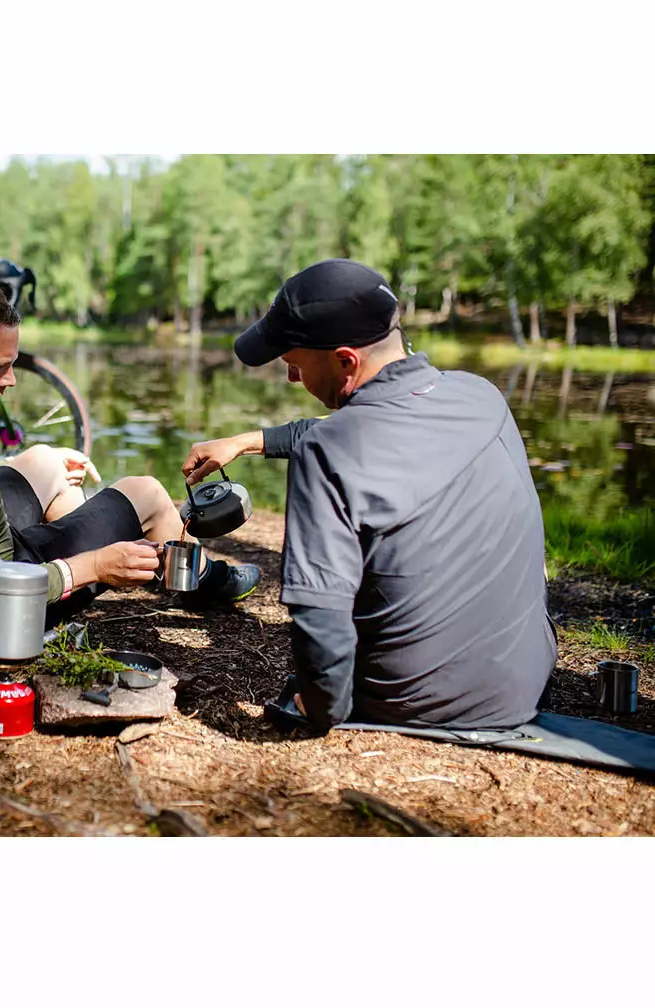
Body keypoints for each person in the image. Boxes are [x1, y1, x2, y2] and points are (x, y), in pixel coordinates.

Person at [181, 258, 556, 735]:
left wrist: (319, 705)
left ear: (346, 361)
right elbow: (372, 428)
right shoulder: (480, 395)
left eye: (294, 364)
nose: (292, 378)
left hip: (413, 704)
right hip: (527, 683)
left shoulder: (326, 453)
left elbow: (320, 623)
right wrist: (248, 441)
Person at [0, 276, 259, 660]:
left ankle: (101, 537)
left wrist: (17, 469)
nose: (10, 380)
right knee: (145, 492)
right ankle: (202, 578)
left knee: (44, 461)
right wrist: (96, 566)